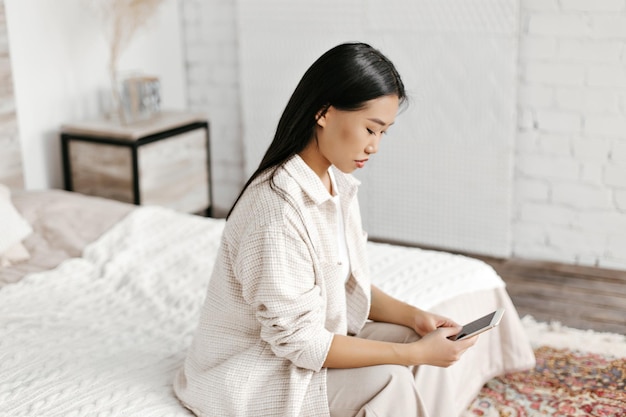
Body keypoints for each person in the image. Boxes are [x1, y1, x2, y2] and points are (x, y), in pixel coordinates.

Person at [174, 42, 478, 417]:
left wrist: (415, 318)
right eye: (370, 128)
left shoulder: (335, 183)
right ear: (323, 112)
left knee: (424, 341)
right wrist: (412, 355)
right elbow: (299, 343)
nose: (375, 146)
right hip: (255, 372)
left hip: (311, 344)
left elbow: (343, 282)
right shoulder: (276, 212)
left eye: (384, 133)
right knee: (393, 377)